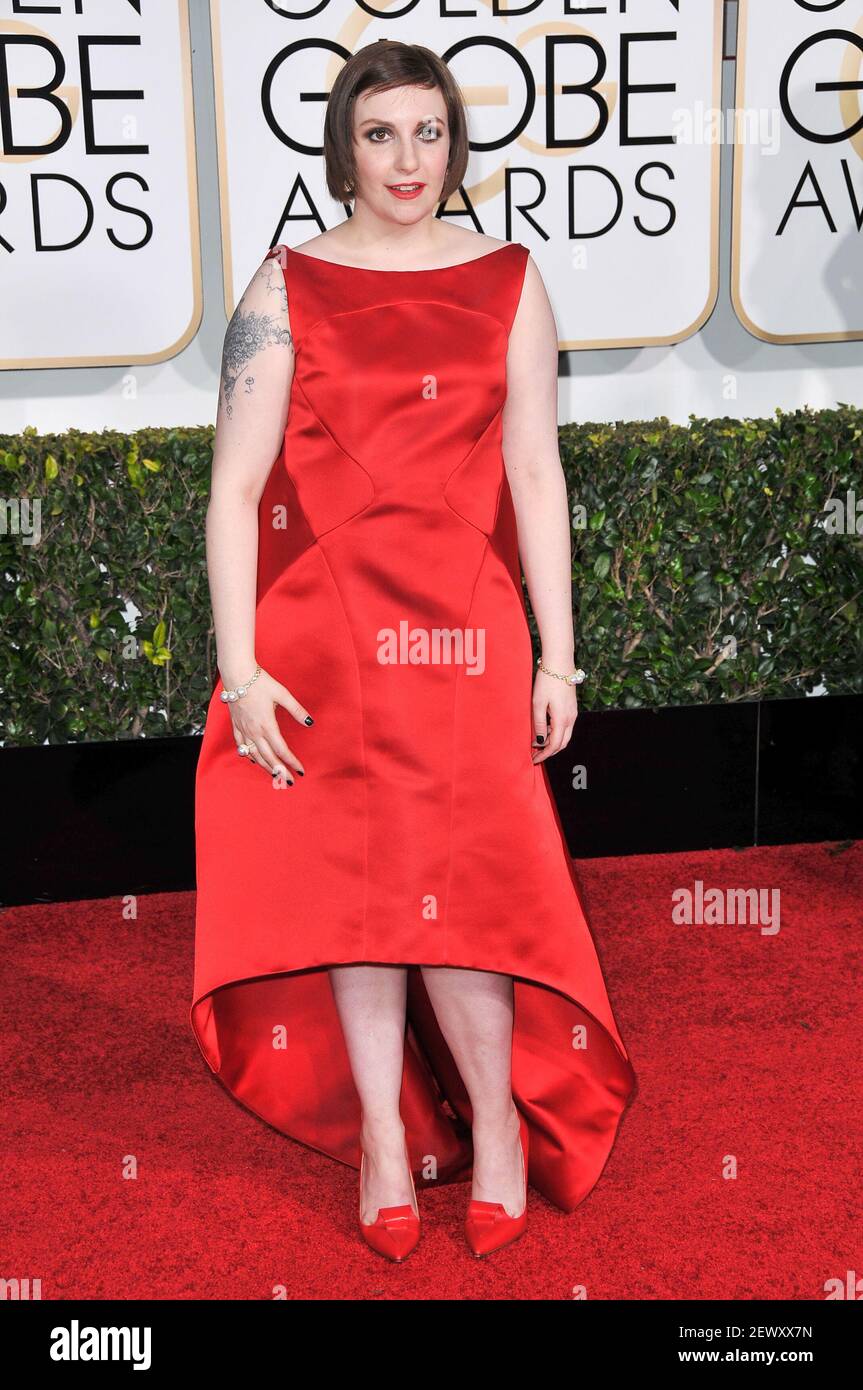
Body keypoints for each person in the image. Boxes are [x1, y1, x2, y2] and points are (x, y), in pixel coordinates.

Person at [190, 38, 635, 1264]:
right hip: (322, 637)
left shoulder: (507, 279)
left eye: (427, 132)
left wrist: (557, 657)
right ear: (342, 145)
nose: (406, 158)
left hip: (467, 634)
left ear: (456, 142)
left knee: (468, 895)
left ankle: (496, 1125)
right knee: (359, 896)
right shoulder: (284, 288)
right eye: (380, 133)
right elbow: (232, 494)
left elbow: (536, 475)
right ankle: (387, 1140)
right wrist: (240, 667)